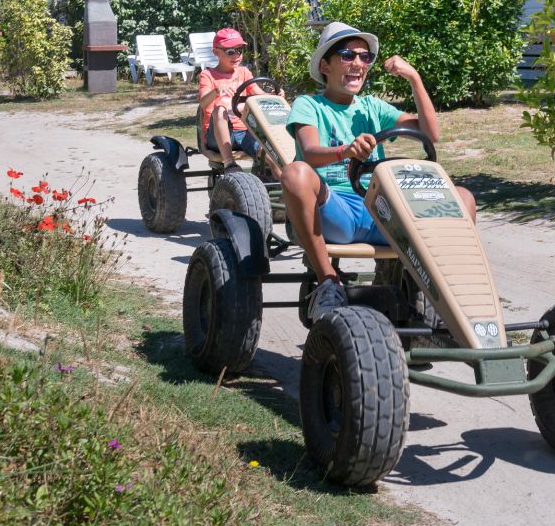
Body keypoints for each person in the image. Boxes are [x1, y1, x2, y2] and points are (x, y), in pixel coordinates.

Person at [284, 22, 476, 321]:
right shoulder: (309, 105)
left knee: (462, 198)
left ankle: (446, 292)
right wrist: (346, 151)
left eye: (365, 57)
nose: (358, 63)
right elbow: (309, 152)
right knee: (295, 173)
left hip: (381, 210)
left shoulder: (372, 107)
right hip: (338, 212)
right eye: (347, 55)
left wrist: (414, 78)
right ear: (325, 65)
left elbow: (431, 134)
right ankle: (328, 282)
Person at [197, 28, 268, 173]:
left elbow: (259, 94)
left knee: (269, 154)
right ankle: (229, 164)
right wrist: (216, 90)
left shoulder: (244, 72)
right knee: (220, 110)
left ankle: (282, 179)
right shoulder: (208, 75)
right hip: (216, 136)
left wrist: (274, 95)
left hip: (244, 132)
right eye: (230, 51)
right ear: (216, 52)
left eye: (239, 50)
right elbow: (203, 103)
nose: (236, 55)